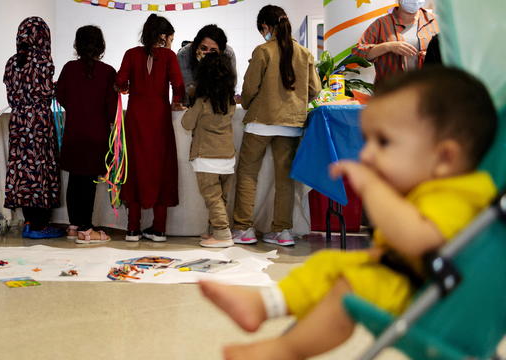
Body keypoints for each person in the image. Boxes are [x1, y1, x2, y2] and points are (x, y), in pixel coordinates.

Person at [199, 66, 498, 360]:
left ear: (444, 157)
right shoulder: (442, 187)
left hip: (427, 297)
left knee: (347, 291)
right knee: (329, 263)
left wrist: (372, 187)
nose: (366, 154)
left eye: (383, 142)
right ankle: (264, 305)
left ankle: (281, 352)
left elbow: (418, 239)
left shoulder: (460, 193)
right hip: (411, 277)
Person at [232, 5, 321, 246]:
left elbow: (249, 88)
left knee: (248, 174)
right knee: (285, 180)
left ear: (265, 27)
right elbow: (315, 90)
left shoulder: (263, 51)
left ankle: (244, 229)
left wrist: (247, 103)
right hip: (292, 124)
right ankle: (282, 232)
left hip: (261, 122)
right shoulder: (304, 53)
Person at [115, 14, 185, 242]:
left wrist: (126, 88)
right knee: (161, 169)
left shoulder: (131, 54)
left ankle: (133, 229)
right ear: (163, 36)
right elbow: (179, 85)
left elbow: (120, 82)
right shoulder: (169, 56)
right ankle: (159, 229)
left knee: (134, 168)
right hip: (160, 121)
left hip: (135, 120)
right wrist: (177, 101)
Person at [3, 17, 64, 239]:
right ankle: (40, 225)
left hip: (18, 121)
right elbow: (47, 92)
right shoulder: (43, 61)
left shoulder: (12, 62)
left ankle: (29, 221)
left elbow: (12, 93)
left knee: (23, 171)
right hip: (38, 122)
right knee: (39, 170)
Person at [56, 25, 116, 244]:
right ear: (101, 46)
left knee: (74, 180)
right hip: (96, 136)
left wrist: (76, 108)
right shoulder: (108, 72)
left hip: (74, 134)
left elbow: (60, 95)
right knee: (89, 183)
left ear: (77, 45)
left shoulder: (69, 68)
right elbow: (112, 110)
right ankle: (86, 229)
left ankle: (73, 226)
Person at [181, 53, 237, 248]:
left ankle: (222, 234)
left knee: (212, 198)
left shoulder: (202, 101)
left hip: (206, 157)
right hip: (227, 157)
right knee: (221, 198)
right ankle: (215, 230)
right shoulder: (230, 102)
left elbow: (186, 124)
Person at [353, 0, 439, 85]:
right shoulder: (382, 24)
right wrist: (388, 47)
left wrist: (432, 56)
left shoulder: (436, 21)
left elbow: (449, 54)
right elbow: (358, 54)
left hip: (427, 89)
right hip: (391, 91)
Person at [176, 24, 237, 106]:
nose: (208, 54)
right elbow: (189, 88)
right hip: (192, 103)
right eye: (203, 48)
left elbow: (230, 84)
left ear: (221, 52)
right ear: (196, 46)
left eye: (213, 50)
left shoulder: (228, 53)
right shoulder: (184, 55)